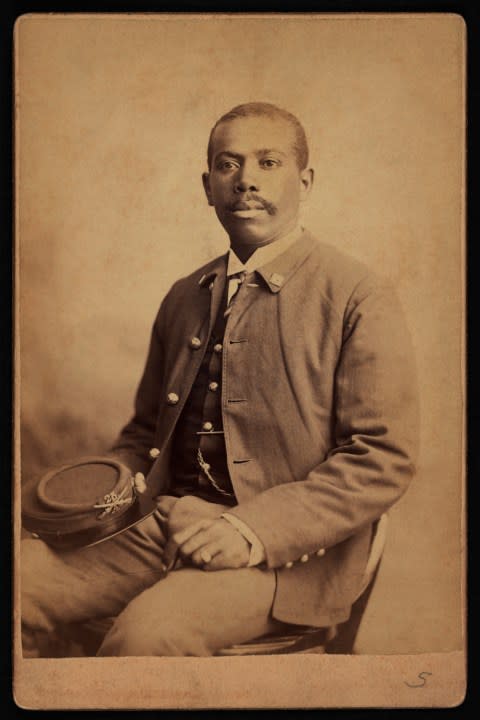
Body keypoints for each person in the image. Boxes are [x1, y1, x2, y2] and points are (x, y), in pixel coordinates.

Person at [21, 102, 418, 657]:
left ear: (305, 181)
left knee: (145, 639)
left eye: (268, 163)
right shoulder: (185, 294)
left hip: (287, 557)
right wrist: (90, 503)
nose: (247, 180)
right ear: (208, 186)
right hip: (164, 525)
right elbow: (143, 435)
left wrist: (251, 531)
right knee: (18, 586)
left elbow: (382, 458)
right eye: (229, 165)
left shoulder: (357, 295)